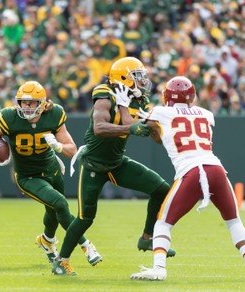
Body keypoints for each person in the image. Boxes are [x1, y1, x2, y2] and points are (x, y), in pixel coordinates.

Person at [130, 76, 245, 281]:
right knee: (234, 221)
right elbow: (165, 133)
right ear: (191, 96)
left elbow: (151, 130)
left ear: (168, 95)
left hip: (191, 171)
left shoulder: (160, 112)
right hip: (216, 168)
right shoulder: (207, 114)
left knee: (163, 222)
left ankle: (159, 268)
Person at [52, 57, 176, 276]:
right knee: (85, 218)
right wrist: (133, 128)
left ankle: (147, 238)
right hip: (94, 165)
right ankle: (61, 260)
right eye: (137, 77)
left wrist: (154, 124)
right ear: (122, 77)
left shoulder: (138, 101)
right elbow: (99, 127)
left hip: (117, 163)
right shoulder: (104, 94)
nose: (142, 81)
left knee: (162, 189)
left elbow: (152, 136)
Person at [0, 81, 102, 266]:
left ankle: (47, 240)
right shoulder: (10, 117)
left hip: (52, 169)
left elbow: (72, 150)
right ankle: (86, 245)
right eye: (23, 102)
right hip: (28, 176)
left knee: (53, 211)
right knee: (60, 203)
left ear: (42, 103)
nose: (26, 107)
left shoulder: (53, 115)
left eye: (31, 103)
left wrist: (58, 146)